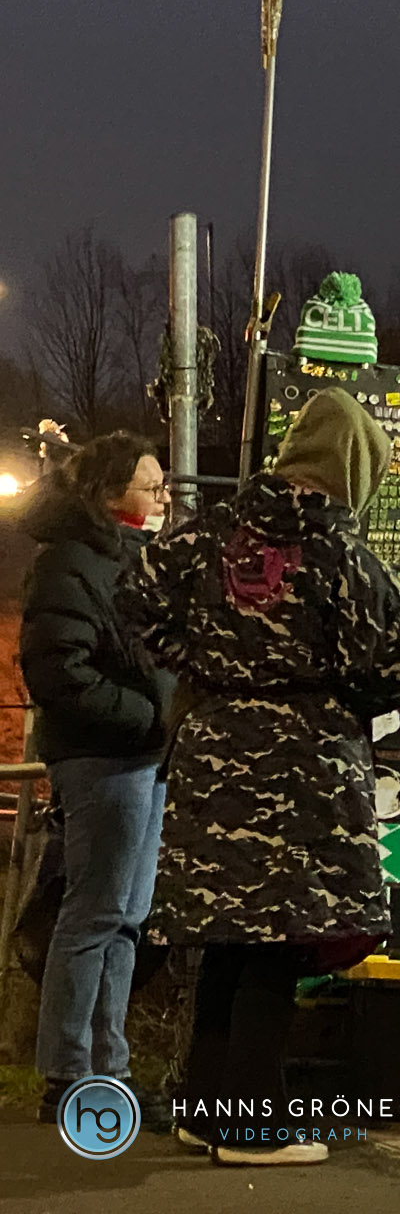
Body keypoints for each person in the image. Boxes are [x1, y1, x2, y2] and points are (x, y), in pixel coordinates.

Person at [123, 389, 400, 1168]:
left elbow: (136, 597)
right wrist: (338, 693)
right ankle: (252, 1128)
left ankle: (206, 1107)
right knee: (278, 941)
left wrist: (200, 664)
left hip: (213, 746)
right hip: (306, 767)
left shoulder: (208, 533)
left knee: (226, 934)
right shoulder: (341, 555)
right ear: (354, 469)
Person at [20, 433, 175, 1123]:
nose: (165, 496)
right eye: (151, 485)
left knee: (124, 920)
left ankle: (106, 1067)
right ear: (112, 495)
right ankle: (68, 1071)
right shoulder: (71, 564)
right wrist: (148, 716)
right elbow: (60, 674)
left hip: (144, 757)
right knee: (94, 914)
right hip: (107, 758)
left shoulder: (133, 562)